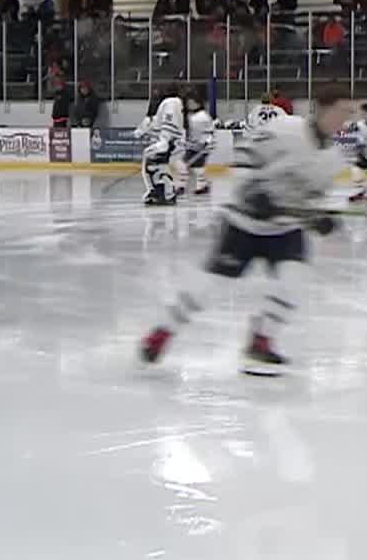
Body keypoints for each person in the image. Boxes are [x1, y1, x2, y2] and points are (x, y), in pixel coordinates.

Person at [140, 85, 355, 376]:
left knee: (293, 283)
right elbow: (243, 161)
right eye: (340, 112)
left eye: (348, 114)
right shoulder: (283, 129)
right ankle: (163, 332)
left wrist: (319, 219)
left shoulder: (333, 159)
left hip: (285, 231)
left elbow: (309, 200)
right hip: (244, 223)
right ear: (321, 109)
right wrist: (253, 192)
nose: (344, 120)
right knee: (209, 288)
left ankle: (261, 342)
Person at [140, 90, 186, 206]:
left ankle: (161, 192)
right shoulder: (173, 105)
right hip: (172, 144)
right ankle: (165, 192)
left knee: (152, 163)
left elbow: (168, 130)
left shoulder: (170, 103)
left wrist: (166, 142)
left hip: (170, 143)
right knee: (160, 168)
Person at [184, 94, 215, 196]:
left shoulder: (204, 116)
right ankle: (203, 184)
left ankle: (202, 185)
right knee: (191, 166)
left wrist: (206, 142)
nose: (189, 104)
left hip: (201, 145)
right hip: (192, 145)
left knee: (197, 167)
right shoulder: (190, 115)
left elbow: (210, 131)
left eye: (191, 102)